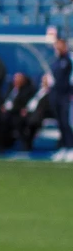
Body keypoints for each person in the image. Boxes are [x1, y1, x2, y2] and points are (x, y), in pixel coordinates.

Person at [52, 32, 73, 162]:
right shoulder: (56, 62)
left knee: (67, 122)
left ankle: (71, 147)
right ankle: (64, 147)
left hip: (67, 95)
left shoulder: (69, 60)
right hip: (57, 95)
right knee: (60, 122)